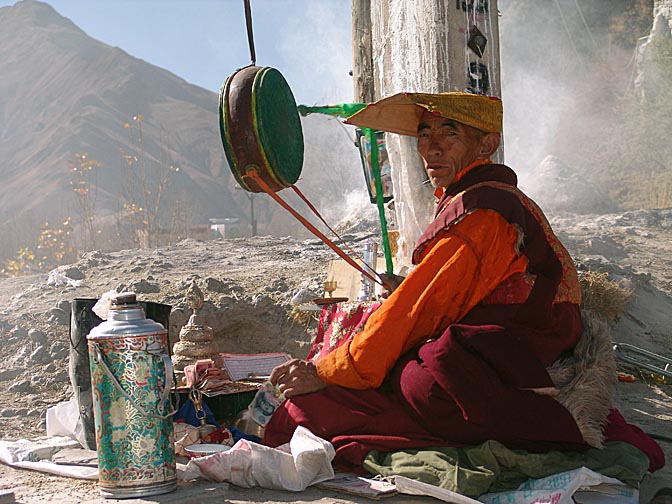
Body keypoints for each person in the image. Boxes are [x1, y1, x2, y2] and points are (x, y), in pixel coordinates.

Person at [262, 92, 664, 472]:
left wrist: (327, 371)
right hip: (528, 332)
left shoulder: (481, 209)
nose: (431, 148)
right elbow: (444, 288)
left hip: (530, 340)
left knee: (423, 381)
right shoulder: (485, 196)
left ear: (486, 145)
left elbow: (418, 309)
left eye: (449, 133)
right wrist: (406, 287)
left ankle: (557, 421)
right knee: (417, 364)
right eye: (424, 134)